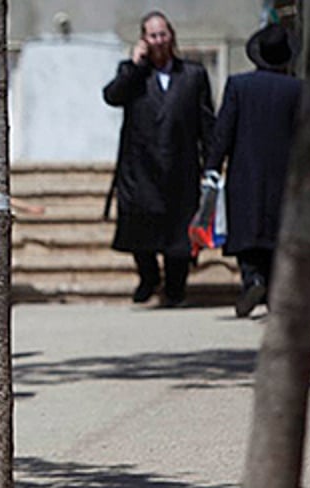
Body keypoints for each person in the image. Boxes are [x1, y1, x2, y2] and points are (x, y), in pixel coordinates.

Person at [103, 10, 215, 307]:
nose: (158, 41)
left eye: (162, 34)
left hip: (181, 165)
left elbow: (206, 122)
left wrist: (212, 163)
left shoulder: (193, 74)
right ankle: (149, 277)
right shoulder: (132, 71)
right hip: (140, 167)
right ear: (144, 39)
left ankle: (176, 288)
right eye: (152, 35)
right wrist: (137, 65)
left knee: (180, 235)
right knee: (141, 229)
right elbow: (112, 96)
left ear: (171, 36)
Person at [204, 23, 302, 318]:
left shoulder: (238, 85)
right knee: (276, 237)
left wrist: (212, 166)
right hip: (283, 175)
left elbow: (223, 131)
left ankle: (252, 280)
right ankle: (272, 289)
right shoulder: (298, 89)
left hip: (244, 174)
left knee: (248, 237)